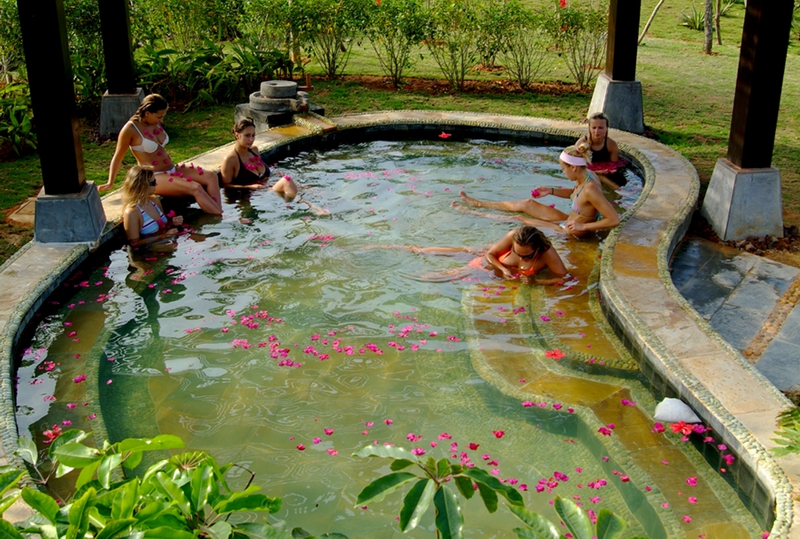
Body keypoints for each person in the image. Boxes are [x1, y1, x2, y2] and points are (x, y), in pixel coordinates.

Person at [455, 143, 620, 238]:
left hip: (569, 232)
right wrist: (551, 190)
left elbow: (613, 220)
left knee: (518, 218)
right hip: (568, 221)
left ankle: (473, 213)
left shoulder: (590, 188)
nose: (563, 172)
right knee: (527, 203)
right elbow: (578, 196)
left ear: (574, 167)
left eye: (564, 169)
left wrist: (584, 228)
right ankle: (478, 204)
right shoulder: (585, 176)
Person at [101, 94, 222, 215]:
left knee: (211, 176)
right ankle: (221, 217)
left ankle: (218, 212)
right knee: (196, 188)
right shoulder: (130, 129)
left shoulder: (153, 122)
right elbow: (118, 156)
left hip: (172, 169)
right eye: (159, 117)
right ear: (147, 112)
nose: (161, 120)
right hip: (154, 176)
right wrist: (110, 182)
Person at [369, 225, 568, 285]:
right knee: (422, 250)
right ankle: (379, 247)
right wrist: (503, 268)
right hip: (486, 261)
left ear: (537, 248)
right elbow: (491, 254)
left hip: (485, 267)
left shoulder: (547, 253)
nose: (521, 257)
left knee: (439, 277)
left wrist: (536, 282)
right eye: (516, 251)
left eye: (527, 256)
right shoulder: (512, 236)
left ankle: (397, 277)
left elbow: (563, 277)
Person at [219, 118, 297, 199]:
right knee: (287, 181)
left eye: (253, 135)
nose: (251, 139)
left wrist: (275, 173)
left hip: (267, 190)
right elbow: (226, 185)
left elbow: (263, 175)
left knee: (306, 189)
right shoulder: (230, 159)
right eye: (247, 135)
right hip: (252, 196)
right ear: (237, 135)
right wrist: (249, 187)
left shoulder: (254, 150)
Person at [122, 165, 184, 250]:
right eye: (153, 182)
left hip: (166, 241)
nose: (157, 184)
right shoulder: (132, 212)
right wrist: (162, 237)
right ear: (142, 186)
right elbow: (135, 243)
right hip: (151, 248)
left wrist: (173, 222)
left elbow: (164, 226)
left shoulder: (154, 200)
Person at [577, 112, 628, 189]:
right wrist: (598, 172)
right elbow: (577, 167)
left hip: (605, 173)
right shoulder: (581, 143)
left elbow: (613, 166)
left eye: (600, 128)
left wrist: (608, 171)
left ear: (607, 128)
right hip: (588, 174)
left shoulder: (611, 145)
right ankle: (617, 189)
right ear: (589, 128)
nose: (597, 131)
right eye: (594, 128)